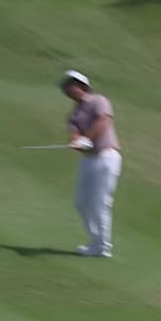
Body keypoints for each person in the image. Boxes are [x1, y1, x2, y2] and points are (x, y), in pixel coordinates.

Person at [60, 70, 122, 258]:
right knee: (81, 202)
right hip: (88, 160)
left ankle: (104, 247)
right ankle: (96, 242)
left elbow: (104, 120)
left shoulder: (99, 101)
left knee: (101, 203)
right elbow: (74, 135)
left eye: (71, 85)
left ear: (82, 86)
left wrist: (87, 139)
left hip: (106, 156)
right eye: (66, 86)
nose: (67, 89)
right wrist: (77, 142)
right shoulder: (73, 114)